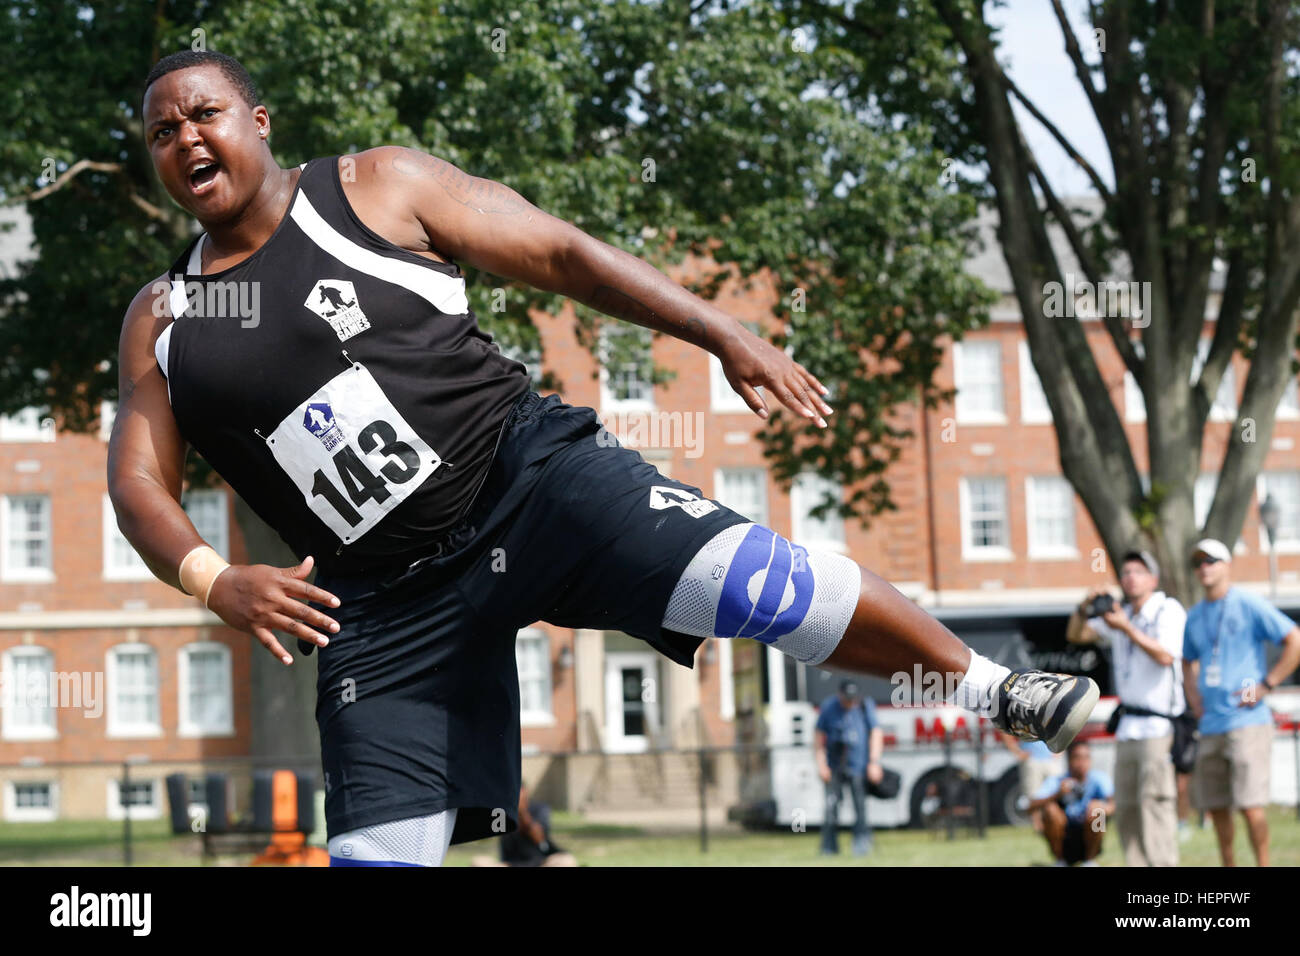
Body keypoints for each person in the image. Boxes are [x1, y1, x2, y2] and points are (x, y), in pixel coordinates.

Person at [107, 50, 1099, 867]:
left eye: (205, 113)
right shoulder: (164, 316)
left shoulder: (376, 187)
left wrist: (720, 331)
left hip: (528, 480)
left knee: (755, 580)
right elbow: (137, 479)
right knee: (372, 855)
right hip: (377, 596)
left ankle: (989, 687)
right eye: (162, 131)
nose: (187, 137)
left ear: (260, 119)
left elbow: (563, 253)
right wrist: (214, 575)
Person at [1182, 538, 1300, 867]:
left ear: (1227, 565)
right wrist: (1194, 698)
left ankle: (1263, 864)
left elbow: (1294, 640)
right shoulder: (1195, 615)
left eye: (1211, 561)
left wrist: (1266, 685)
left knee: (1251, 805)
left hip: (1247, 721)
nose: (1204, 567)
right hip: (1210, 724)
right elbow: (1185, 661)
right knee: (1217, 805)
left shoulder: (1248, 603)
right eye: (1198, 563)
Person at [1066, 549, 1185, 866]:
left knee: (1154, 805)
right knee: (1129, 807)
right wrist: (1084, 606)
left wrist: (1125, 629)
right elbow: (1076, 634)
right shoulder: (1121, 615)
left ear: (1153, 579)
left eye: (1138, 571)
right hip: (1128, 727)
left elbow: (1166, 656)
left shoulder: (1166, 610)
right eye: (1126, 572)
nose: (1130, 577)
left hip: (1157, 727)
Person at [814, 680, 882, 856]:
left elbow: (876, 732)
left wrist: (874, 762)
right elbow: (818, 738)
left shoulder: (864, 705)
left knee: (860, 808)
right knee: (831, 808)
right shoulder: (829, 707)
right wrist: (821, 765)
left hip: (858, 764)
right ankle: (829, 848)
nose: (850, 702)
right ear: (839, 695)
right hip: (834, 766)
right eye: (847, 699)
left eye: (853, 699)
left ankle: (861, 846)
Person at [1026, 740, 1115, 866]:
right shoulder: (1057, 781)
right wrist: (1057, 795)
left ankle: (1090, 861)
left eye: (1086, 758)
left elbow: (1113, 804)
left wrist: (1101, 809)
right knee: (1050, 809)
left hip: (1089, 834)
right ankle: (1061, 860)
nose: (1082, 763)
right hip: (1063, 837)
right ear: (1068, 760)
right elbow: (1030, 807)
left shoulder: (1099, 779)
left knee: (1097, 809)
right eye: (1077, 758)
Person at [471, 782, 576, 867]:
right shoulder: (502, 813)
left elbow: (539, 838)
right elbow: (486, 837)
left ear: (524, 792)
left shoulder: (540, 809)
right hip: (511, 863)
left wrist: (522, 812)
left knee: (567, 861)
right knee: (478, 862)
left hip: (541, 862)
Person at [998, 732, 1061, 833]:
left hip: (1050, 759)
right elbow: (1005, 733)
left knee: (1056, 793)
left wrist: (1059, 751)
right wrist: (1018, 752)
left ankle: (1054, 823)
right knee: (1032, 795)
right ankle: (1038, 827)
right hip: (1031, 760)